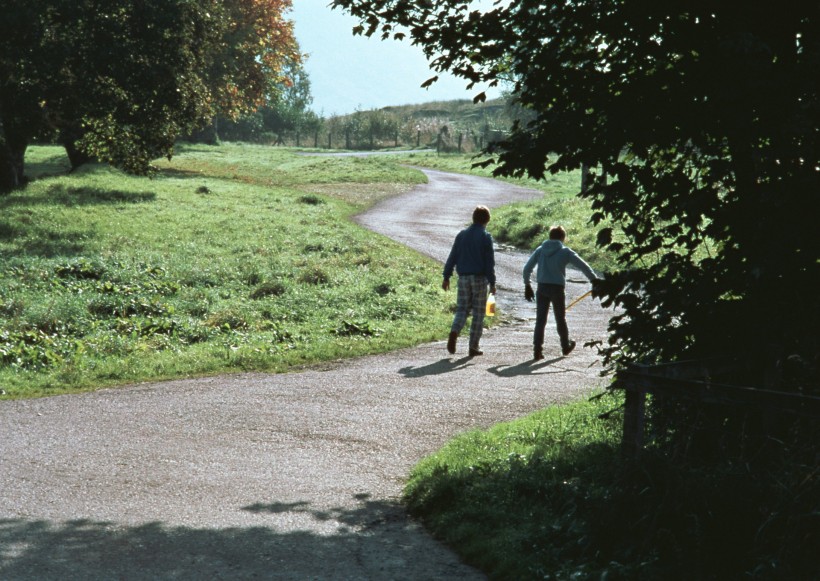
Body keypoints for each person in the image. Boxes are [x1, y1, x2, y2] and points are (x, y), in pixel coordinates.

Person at [523, 225, 598, 360]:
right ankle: (565, 346)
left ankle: (537, 350)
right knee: (560, 319)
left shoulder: (540, 250)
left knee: (540, 320)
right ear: (563, 238)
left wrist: (527, 284)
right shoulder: (565, 252)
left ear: (550, 236)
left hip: (542, 287)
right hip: (557, 288)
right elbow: (583, 266)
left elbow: (527, 268)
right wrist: (594, 280)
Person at [442, 205, 496, 356]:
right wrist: (492, 282)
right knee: (479, 313)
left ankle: (454, 331)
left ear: (473, 218)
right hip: (479, 278)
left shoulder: (461, 235)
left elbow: (452, 257)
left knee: (462, 309)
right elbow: (489, 262)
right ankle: (473, 346)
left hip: (463, 278)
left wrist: (446, 276)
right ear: (487, 220)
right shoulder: (486, 237)